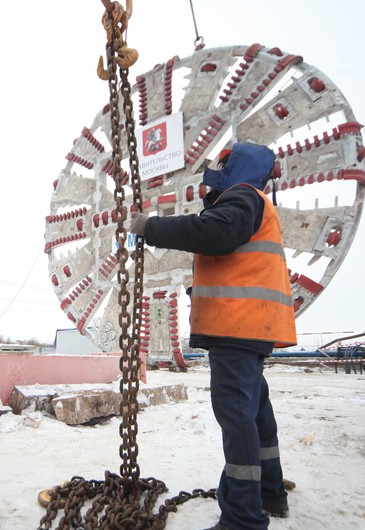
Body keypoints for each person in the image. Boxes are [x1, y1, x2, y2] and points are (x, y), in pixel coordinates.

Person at [129, 142, 296, 530]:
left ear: (235, 168)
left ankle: (241, 518)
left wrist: (150, 227)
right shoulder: (255, 203)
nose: (212, 176)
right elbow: (237, 260)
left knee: (237, 420)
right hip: (251, 328)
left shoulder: (242, 197)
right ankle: (270, 493)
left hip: (236, 329)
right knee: (256, 415)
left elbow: (213, 232)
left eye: (221, 165)